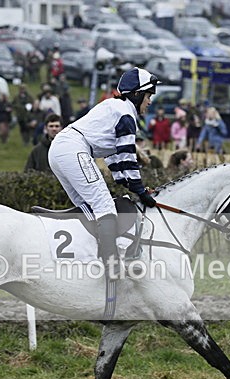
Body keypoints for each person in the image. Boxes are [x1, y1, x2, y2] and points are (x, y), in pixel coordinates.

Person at [48, 67, 159, 278]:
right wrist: (140, 191)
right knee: (104, 206)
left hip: (61, 150)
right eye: (148, 95)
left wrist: (131, 185)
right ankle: (112, 266)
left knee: (89, 207)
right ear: (136, 95)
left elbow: (115, 160)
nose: (150, 101)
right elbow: (128, 156)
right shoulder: (126, 115)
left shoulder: (115, 108)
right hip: (74, 149)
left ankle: (84, 257)